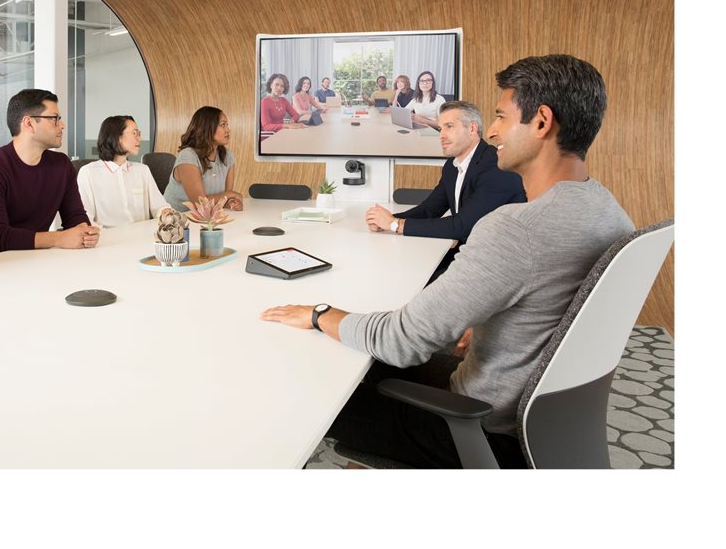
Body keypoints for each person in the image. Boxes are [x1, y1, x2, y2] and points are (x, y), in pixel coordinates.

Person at [261, 54, 634, 468]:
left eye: (501, 117)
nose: (492, 132)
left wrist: (318, 313)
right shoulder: (609, 210)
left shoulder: (516, 228)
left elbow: (400, 340)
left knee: (313, 380)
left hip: (477, 425)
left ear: (542, 122)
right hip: (535, 416)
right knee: (362, 362)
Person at [365, 100, 526, 281]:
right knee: (404, 270)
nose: (441, 135)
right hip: (470, 252)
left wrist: (395, 225)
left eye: (449, 127)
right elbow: (430, 209)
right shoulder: (452, 165)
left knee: (414, 280)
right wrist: (388, 220)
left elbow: (463, 227)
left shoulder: (495, 166)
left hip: (498, 264)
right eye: (440, 128)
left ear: (472, 129)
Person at [0, 89, 100, 258]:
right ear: (28, 123)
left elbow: (74, 215)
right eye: (54, 118)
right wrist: (59, 238)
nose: (62, 125)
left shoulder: (61, 165)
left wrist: (85, 233)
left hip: (33, 259)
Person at [77, 115, 173, 228]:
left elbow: (159, 207)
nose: (139, 138)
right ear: (117, 137)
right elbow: (85, 218)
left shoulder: (142, 171)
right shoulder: (88, 173)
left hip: (141, 239)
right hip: (107, 240)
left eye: (139, 134)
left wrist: (165, 212)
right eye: (134, 133)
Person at [163, 106, 245, 212]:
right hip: (176, 220)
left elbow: (223, 199)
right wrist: (230, 195)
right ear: (207, 128)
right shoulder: (187, 156)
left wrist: (232, 203)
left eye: (227, 125)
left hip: (206, 219)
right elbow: (200, 204)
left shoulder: (228, 156)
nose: (228, 130)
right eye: (222, 125)